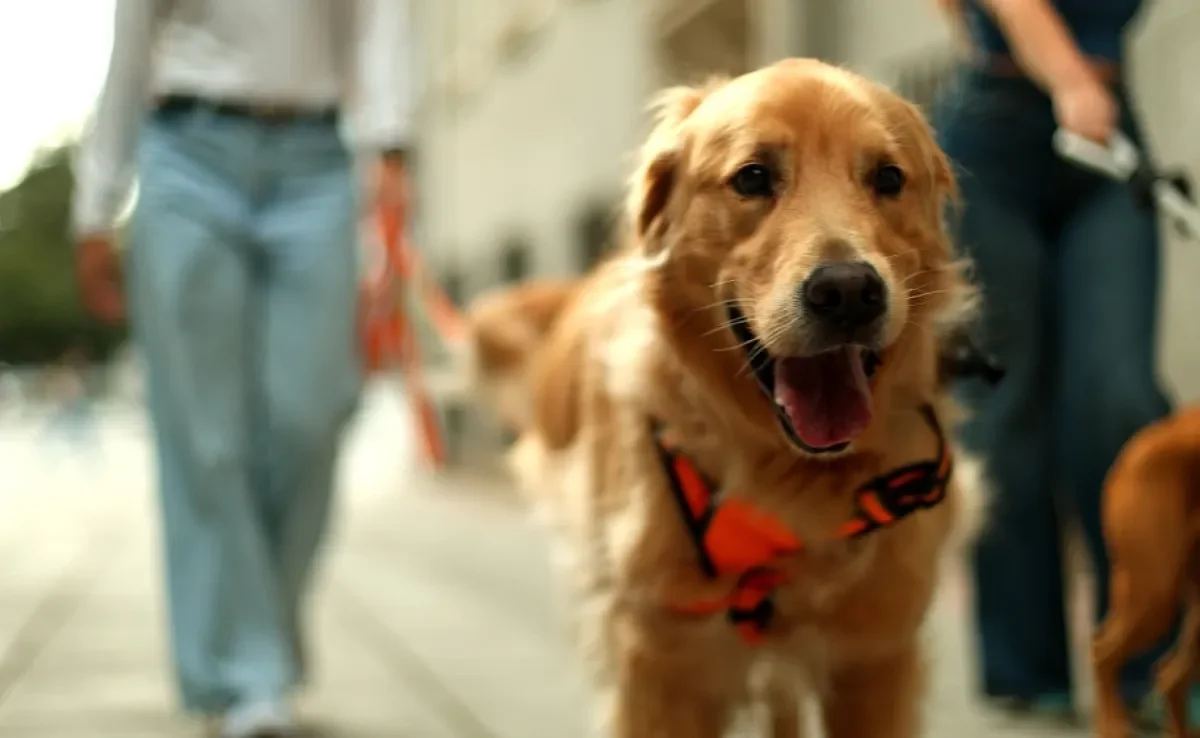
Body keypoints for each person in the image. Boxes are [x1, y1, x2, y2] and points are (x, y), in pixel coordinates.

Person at [73, 2, 414, 735]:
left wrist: (391, 146)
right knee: (206, 437)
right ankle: (249, 676)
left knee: (311, 415)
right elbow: (130, 38)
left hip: (318, 162)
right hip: (186, 153)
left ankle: (256, 647)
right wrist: (95, 203)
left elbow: (378, 18)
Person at [932, 0, 1184, 727]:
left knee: (1119, 397)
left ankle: (1150, 655)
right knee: (1002, 406)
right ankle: (1027, 668)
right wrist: (1067, 77)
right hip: (997, 134)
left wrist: (1083, 85)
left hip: (1107, 127)